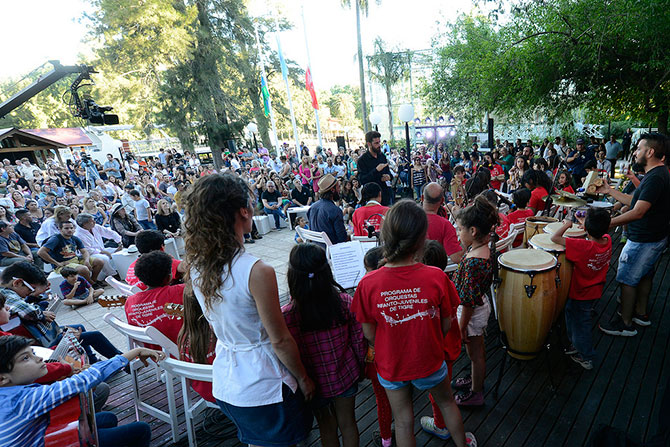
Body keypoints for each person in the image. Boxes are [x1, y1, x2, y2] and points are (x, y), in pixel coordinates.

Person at [182, 173, 315, 447]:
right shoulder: (256, 270)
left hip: (228, 382)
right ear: (244, 210)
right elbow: (279, 340)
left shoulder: (196, 266)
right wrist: (303, 378)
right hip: (265, 385)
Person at [352, 200, 475, 447]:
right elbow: (446, 325)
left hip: (392, 364)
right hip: (429, 359)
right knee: (447, 403)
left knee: (403, 421)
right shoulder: (437, 277)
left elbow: (368, 333)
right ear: (422, 239)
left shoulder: (368, 283)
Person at [0, 335, 162, 447]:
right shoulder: (22, 400)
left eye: (33, 353)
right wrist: (135, 352)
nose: (39, 359)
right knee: (141, 429)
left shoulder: (8, 394)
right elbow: (84, 380)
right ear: (2, 378)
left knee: (108, 418)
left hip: (39, 434)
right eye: (25, 358)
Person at [281, 243, 365, 447]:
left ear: (293, 276)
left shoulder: (287, 315)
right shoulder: (345, 302)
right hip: (345, 375)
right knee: (348, 422)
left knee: (326, 426)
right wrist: (361, 368)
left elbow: (285, 352)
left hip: (311, 383)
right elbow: (358, 342)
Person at [597, 133, 670, 336]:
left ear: (650, 151)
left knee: (627, 279)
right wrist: (609, 190)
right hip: (653, 238)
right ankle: (641, 313)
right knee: (645, 275)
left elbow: (638, 212)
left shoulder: (655, 177)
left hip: (644, 240)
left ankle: (625, 323)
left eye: (638, 148)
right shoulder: (656, 174)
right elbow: (635, 201)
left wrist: (607, 224)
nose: (635, 152)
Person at [550, 209, 612, 370]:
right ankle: (576, 344)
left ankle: (586, 356)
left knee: (581, 325)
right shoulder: (608, 239)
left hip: (580, 292)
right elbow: (596, 232)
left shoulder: (582, 246)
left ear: (586, 230)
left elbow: (554, 238)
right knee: (572, 314)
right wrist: (583, 223)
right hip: (595, 290)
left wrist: (568, 223)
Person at [451, 196, 497, 407]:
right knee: (477, 351)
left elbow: (467, 302)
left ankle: (476, 392)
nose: (457, 233)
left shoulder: (472, 263)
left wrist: (461, 328)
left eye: (460, 229)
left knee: (475, 353)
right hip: (480, 305)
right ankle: (474, 377)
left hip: (472, 313)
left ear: (473, 231)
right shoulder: (482, 248)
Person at [419, 239, 464, 440]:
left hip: (438, 348)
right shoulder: (447, 281)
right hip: (451, 343)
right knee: (445, 387)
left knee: (439, 394)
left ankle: (440, 425)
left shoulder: (425, 286)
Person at [125, 251, 185, 347]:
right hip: (181, 352)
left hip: (152, 354)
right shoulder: (179, 291)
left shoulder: (130, 301)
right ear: (169, 276)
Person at [38, 221, 103, 286]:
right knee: (83, 269)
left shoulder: (74, 238)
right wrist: (56, 263)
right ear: (60, 229)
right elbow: (41, 252)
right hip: (63, 264)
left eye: (71, 228)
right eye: (66, 228)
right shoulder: (55, 239)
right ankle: (92, 284)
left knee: (99, 262)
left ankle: (93, 281)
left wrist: (86, 260)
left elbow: (84, 251)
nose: (69, 230)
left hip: (75, 260)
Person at [423, 182, 464, 264]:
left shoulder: (408, 219)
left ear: (422, 197)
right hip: (436, 272)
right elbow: (456, 257)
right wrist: (466, 241)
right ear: (442, 201)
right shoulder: (445, 225)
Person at [75, 213, 122, 280]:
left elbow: (109, 233)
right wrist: (103, 252)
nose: (94, 222)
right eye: (92, 221)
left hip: (102, 249)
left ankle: (119, 270)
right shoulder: (78, 234)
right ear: (84, 224)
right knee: (104, 258)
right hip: (89, 255)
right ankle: (112, 275)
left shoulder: (95, 227)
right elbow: (87, 250)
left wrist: (119, 242)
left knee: (119, 251)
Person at [307, 174, 349, 245]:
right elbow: (342, 238)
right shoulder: (335, 210)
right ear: (332, 190)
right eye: (338, 187)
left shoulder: (312, 207)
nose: (340, 190)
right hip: (331, 250)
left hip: (316, 248)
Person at [357, 131, 394, 206]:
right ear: (369, 144)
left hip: (384, 194)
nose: (379, 145)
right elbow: (362, 179)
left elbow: (388, 172)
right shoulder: (362, 160)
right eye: (376, 143)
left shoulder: (382, 156)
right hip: (371, 197)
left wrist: (389, 176)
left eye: (379, 142)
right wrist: (376, 170)